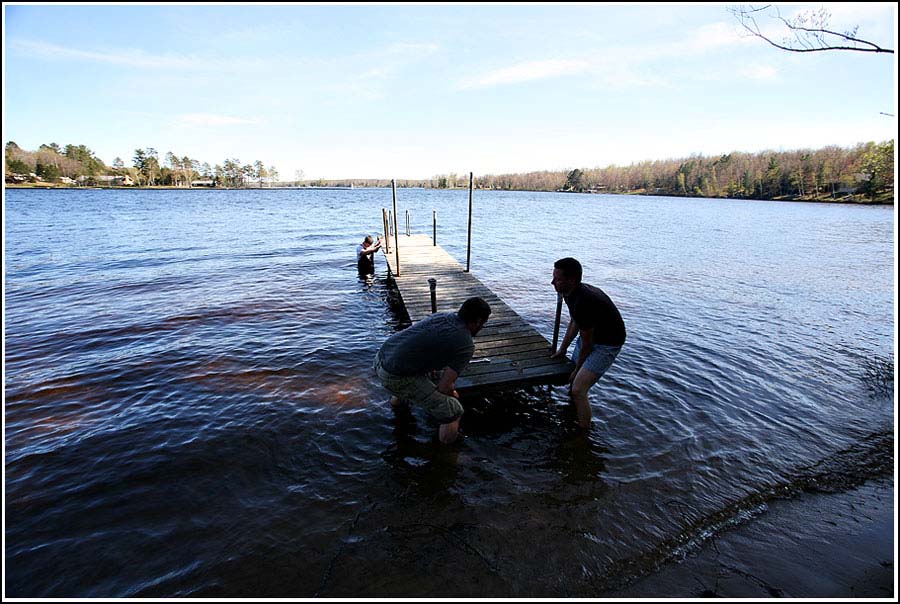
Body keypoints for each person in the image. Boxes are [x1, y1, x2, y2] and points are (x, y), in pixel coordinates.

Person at [374, 297, 492, 444]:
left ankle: (397, 410)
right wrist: (452, 395)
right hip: (394, 375)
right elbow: (444, 387)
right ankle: (447, 454)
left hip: (381, 357)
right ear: (479, 321)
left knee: (411, 383)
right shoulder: (466, 344)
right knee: (454, 410)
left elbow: (421, 342)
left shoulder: (443, 316)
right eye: (484, 324)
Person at [550, 257, 626, 429]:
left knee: (578, 389)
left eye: (558, 279)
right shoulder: (570, 293)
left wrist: (578, 369)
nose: (552, 282)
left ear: (572, 280)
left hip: (607, 343)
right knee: (573, 383)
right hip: (593, 336)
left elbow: (587, 344)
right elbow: (575, 322)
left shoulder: (584, 300)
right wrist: (563, 350)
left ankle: (583, 434)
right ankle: (570, 414)